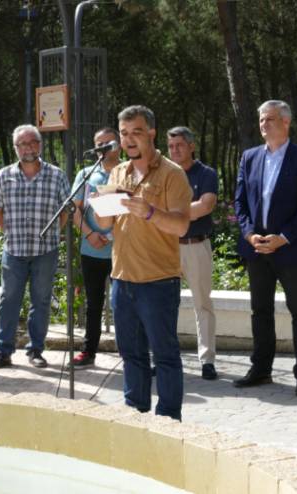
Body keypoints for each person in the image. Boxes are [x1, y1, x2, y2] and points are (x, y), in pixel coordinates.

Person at [95, 105, 192, 420]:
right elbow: (106, 224)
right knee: (131, 355)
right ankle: (135, 417)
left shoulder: (172, 174)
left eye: (136, 132)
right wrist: (100, 207)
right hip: (122, 280)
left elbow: (181, 226)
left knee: (164, 356)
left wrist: (149, 211)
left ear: (151, 132)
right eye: (124, 134)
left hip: (158, 281)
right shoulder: (117, 172)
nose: (129, 139)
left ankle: (168, 420)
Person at [232, 100, 297, 396]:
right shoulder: (249, 157)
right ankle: (261, 369)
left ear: (286, 122)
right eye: (261, 119)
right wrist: (249, 235)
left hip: (290, 249)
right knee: (260, 311)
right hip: (257, 248)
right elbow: (240, 202)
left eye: (269, 119)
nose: (263, 124)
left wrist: (283, 237)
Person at [0, 124, 70, 369]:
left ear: (40, 145)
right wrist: (8, 232)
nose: (29, 147)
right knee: (9, 300)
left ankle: (36, 350)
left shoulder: (56, 175)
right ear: (16, 148)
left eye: (33, 142)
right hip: (14, 250)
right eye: (23, 144)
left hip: (46, 251)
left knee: (41, 301)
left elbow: (65, 210)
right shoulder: (4, 176)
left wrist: (54, 232)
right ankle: (3, 351)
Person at [167, 126, 219, 380]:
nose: (175, 150)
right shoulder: (165, 174)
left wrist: (171, 214)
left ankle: (207, 361)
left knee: (202, 304)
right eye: (171, 146)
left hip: (196, 246)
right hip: (167, 247)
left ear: (191, 146)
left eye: (179, 145)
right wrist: (186, 211)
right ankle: (165, 359)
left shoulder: (206, 173)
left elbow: (206, 206)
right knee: (164, 304)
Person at [71, 127, 120, 368]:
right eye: (98, 143)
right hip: (91, 249)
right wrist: (90, 234)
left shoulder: (127, 172)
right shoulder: (86, 174)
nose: (102, 147)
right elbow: (75, 209)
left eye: (107, 142)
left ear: (118, 144)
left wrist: (112, 235)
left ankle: (130, 353)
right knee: (93, 304)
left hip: (121, 251)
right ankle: (88, 351)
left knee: (124, 303)